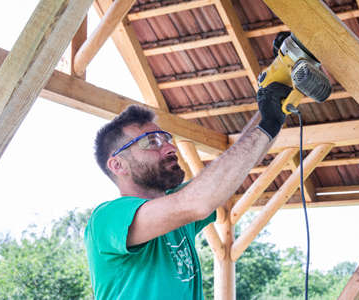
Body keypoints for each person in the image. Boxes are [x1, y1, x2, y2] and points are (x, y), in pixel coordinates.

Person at [84, 82, 292, 299]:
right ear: (117, 165)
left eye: (166, 138)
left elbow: (231, 170)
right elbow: (198, 202)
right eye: (152, 142)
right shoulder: (107, 218)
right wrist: (267, 123)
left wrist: (269, 112)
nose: (170, 147)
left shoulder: (178, 205)